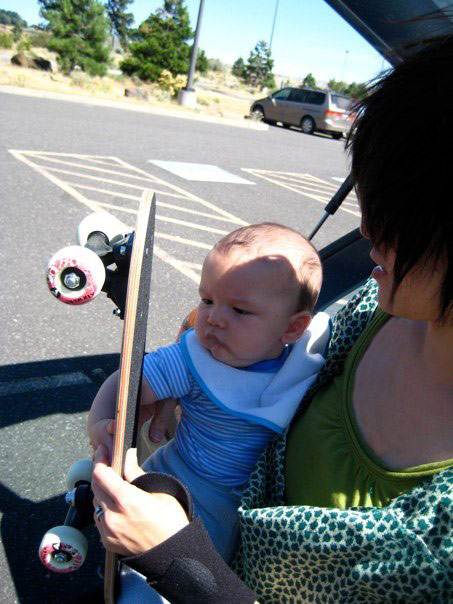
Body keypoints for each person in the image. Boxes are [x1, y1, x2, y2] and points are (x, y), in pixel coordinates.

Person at [91, 34, 453, 603]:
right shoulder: (370, 315)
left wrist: (180, 561)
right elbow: (253, 347)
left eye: (396, 212)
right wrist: (189, 369)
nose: (366, 231)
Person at [88, 224, 328, 568]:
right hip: (180, 482)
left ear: (292, 328)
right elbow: (128, 379)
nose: (214, 318)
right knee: (168, 571)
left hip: (248, 505)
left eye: (240, 310)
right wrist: (100, 422)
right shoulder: (194, 360)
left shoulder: (303, 364)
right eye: (207, 300)